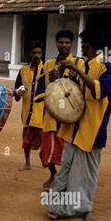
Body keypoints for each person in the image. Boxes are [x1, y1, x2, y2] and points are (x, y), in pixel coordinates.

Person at [46, 29, 111, 221]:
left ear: (91, 45)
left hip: (93, 129)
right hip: (73, 127)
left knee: (87, 173)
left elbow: (100, 91)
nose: (81, 46)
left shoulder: (106, 66)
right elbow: (73, 89)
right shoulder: (84, 65)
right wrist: (58, 81)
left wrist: (76, 70)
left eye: (83, 43)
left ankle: (85, 207)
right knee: (66, 167)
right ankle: (57, 205)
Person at [35, 30, 85, 191]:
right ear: (56, 43)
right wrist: (51, 84)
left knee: (67, 154)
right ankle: (53, 174)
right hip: (51, 116)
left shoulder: (79, 63)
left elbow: (81, 90)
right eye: (61, 42)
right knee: (46, 153)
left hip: (70, 117)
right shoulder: (49, 64)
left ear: (71, 44)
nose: (64, 45)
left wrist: (68, 81)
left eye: (67, 43)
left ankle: (65, 182)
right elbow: (41, 89)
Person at [14, 41, 45, 171]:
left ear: (42, 53)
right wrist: (19, 92)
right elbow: (16, 95)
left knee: (45, 141)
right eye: (34, 53)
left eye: (39, 52)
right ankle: (27, 163)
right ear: (29, 54)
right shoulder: (23, 70)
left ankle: (46, 162)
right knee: (26, 141)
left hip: (43, 114)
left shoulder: (47, 70)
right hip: (27, 113)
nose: (36, 55)